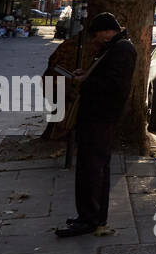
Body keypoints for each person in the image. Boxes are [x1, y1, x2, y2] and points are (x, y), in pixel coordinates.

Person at [57, 13, 137, 238]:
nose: (95, 39)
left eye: (97, 34)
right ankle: (92, 216)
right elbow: (105, 76)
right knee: (93, 167)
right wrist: (87, 74)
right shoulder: (113, 47)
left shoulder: (122, 49)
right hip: (97, 116)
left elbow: (115, 85)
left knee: (91, 169)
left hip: (101, 116)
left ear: (106, 30)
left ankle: (89, 219)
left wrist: (86, 81)